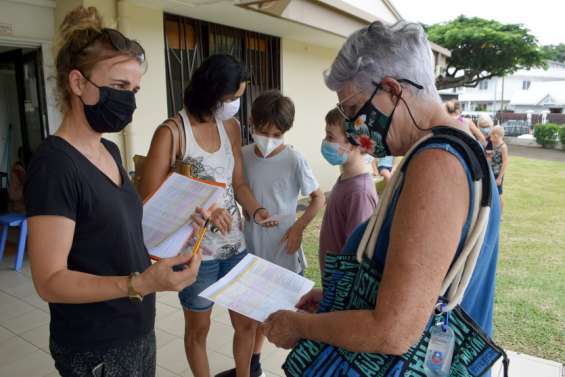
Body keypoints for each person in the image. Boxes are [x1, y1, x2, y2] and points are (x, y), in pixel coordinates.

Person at [262, 20, 501, 376]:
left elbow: (394, 331)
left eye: (354, 108)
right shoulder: (454, 144)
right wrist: (338, 304)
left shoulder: (437, 163)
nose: (355, 124)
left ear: (392, 90)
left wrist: (299, 326)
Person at [24, 7, 201, 377]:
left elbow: (118, 230)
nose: (130, 101)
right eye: (120, 87)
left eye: (134, 90)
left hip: (136, 326)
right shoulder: (55, 165)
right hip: (95, 344)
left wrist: (184, 227)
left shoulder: (109, 150)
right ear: (77, 83)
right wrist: (139, 283)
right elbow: (49, 280)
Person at [139, 54, 272, 377]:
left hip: (234, 247)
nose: (236, 105)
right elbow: (149, 204)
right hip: (196, 256)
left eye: (238, 98)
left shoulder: (230, 127)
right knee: (199, 330)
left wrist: (256, 208)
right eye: (231, 98)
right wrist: (203, 210)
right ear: (210, 93)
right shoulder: (172, 132)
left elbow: (236, 182)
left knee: (247, 322)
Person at [217, 90, 325, 377]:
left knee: (267, 319)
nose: (269, 139)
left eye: (277, 134)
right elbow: (238, 192)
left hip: (281, 253)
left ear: (286, 131)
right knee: (245, 324)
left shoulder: (294, 160)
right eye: (263, 132)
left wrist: (298, 229)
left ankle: (254, 363)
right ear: (252, 122)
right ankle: (246, 369)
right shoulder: (241, 156)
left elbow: (318, 198)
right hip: (248, 250)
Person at [319, 108, 378, 272]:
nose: (325, 141)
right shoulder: (346, 180)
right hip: (333, 284)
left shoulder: (359, 193)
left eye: (330, 137)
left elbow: (355, 256)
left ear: (355, 143)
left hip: (342, 288)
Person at [490, 125, 509, 213]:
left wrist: (499, 178)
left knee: (498, 194)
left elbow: (505, 162)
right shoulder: (492, 143)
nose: (490, 136)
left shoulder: (503, 147)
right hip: (490, 172)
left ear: (496, 135)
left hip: (497, 173)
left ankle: (500, 214)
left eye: (492, 134)